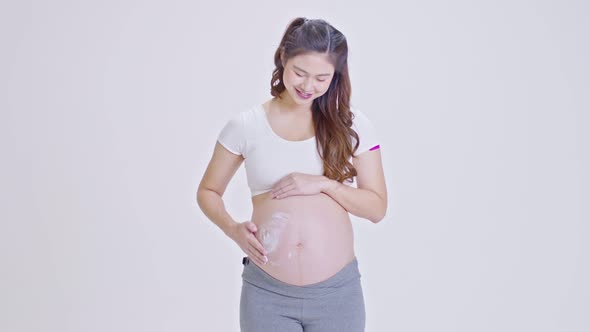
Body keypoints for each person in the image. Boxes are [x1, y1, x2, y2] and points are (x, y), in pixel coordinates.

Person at [197, 17, 387, 332]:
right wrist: (233, 229)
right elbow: (207, 191)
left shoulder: (354, 125)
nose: (308, 86)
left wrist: (324, 184)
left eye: (321, 78)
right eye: (300, 72)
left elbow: (377, 208)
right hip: (267, 293)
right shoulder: (246, 125)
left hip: (337, 295)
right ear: (283, 58)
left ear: (335, 76)